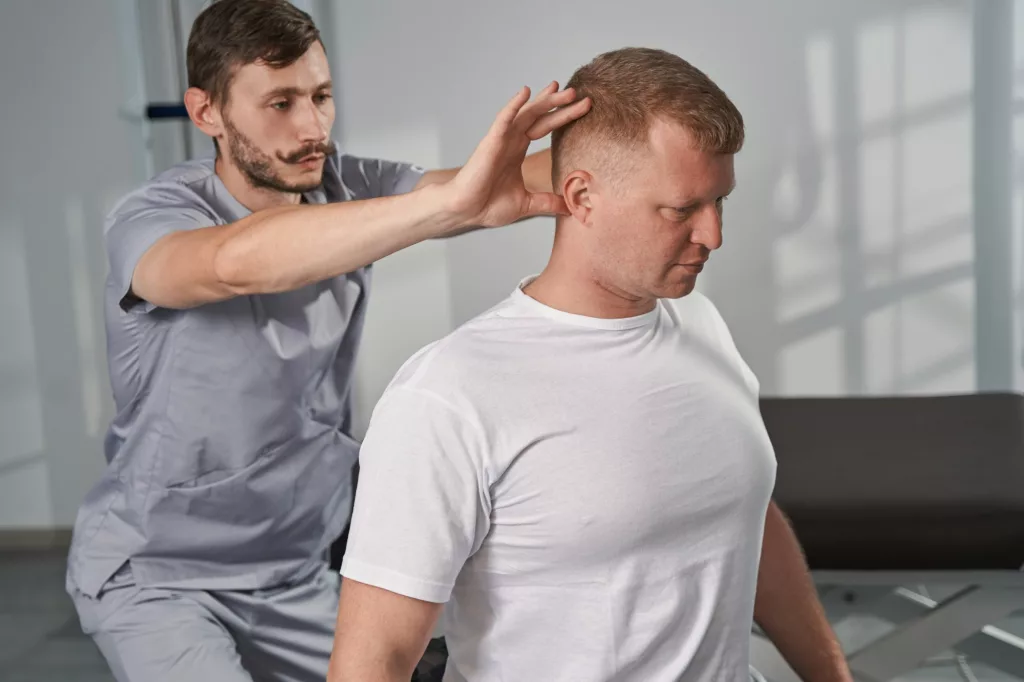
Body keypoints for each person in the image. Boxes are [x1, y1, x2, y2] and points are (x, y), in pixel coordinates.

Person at [63, 1, 590, 680]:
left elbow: (490, 185)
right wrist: (444, 207)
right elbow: (232, 264)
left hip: (295, 573)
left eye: (320, 96)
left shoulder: (344, 187)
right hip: (159, 576)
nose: (311, 127)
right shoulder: (153, 217)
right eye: (279, 103)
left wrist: (623, 141)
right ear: (207, 113)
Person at [328, 47, 853, 682]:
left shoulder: (702, 325)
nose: (713, 235)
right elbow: (372, 663)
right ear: (580, 196)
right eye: (681, 209)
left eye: (721, 201)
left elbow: (745, 521)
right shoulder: (449, 395)